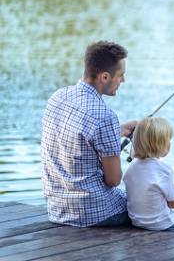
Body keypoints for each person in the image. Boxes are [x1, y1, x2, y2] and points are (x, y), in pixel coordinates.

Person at [40, 41, 137, 227]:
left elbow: (77, 138)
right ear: (105, 77)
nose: (123, 81)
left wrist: (118, 131)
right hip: (93, 213)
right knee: (154, 206)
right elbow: (114, 180)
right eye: (121, 75)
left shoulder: (57, 97)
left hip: (57, 209)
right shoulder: (105, 116)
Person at [123, 117, 174, 230]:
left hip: (137, 221)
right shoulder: (164, 169)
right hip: (162, 223)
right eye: (168, 140)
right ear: (161, 144)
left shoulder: (131, 168)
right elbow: (173, 204)